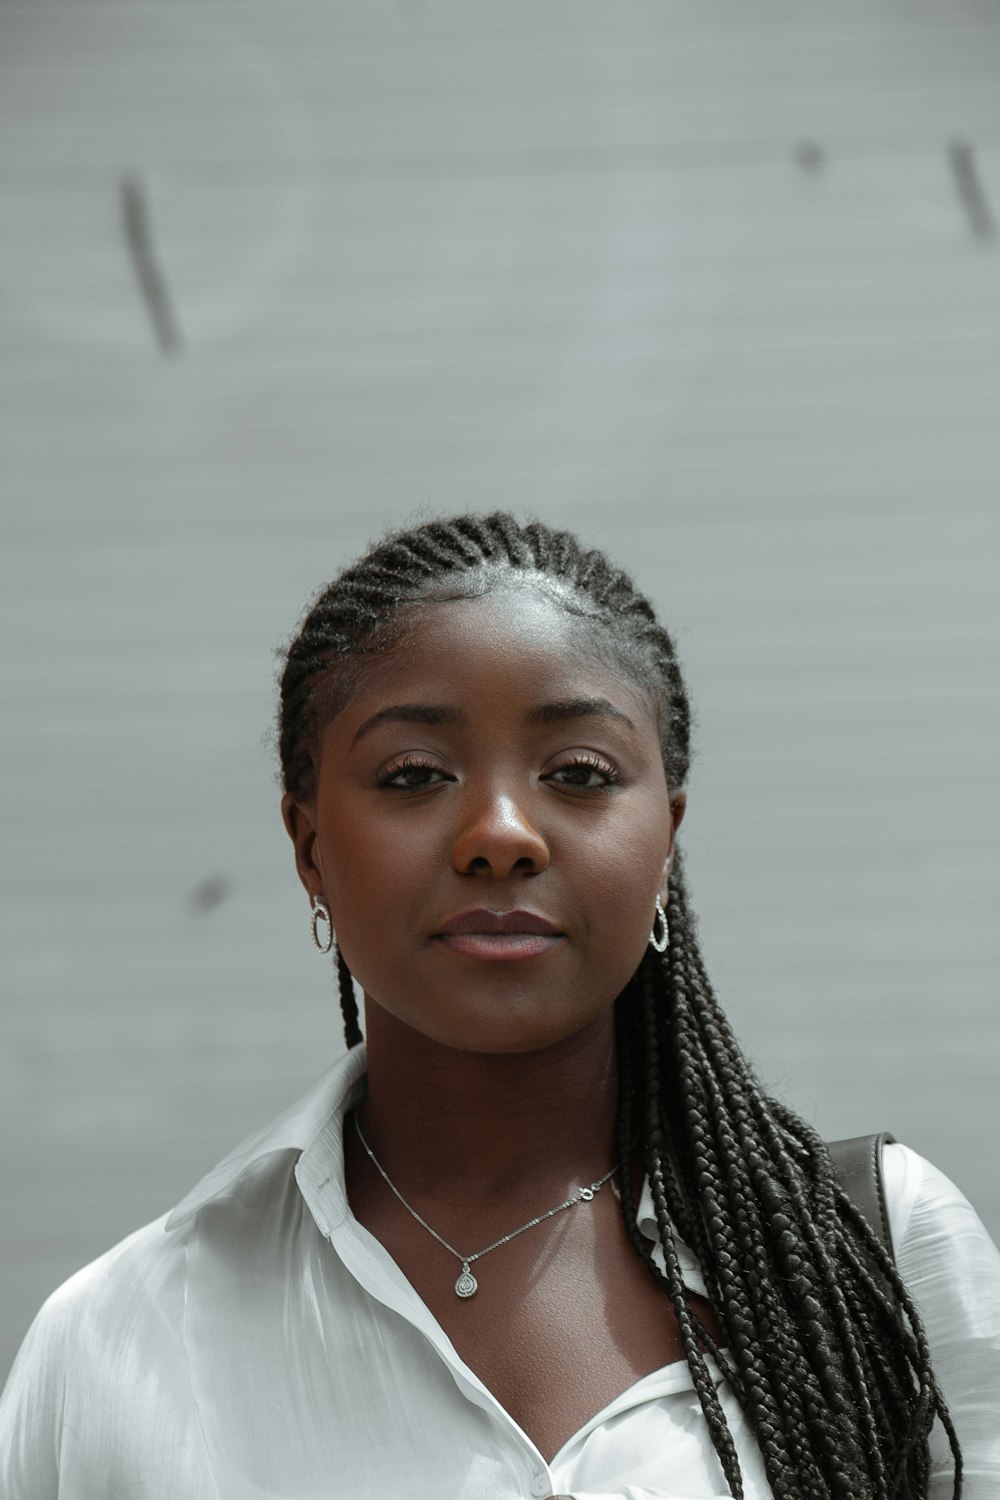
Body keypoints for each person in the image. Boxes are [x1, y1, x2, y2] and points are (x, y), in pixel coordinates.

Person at [2, 512, 998, 1499]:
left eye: (577, 774)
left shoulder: (873, 1250)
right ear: (309, 848)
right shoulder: (118, 1341)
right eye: (415, 776)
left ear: (665, 843)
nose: (501, 834)